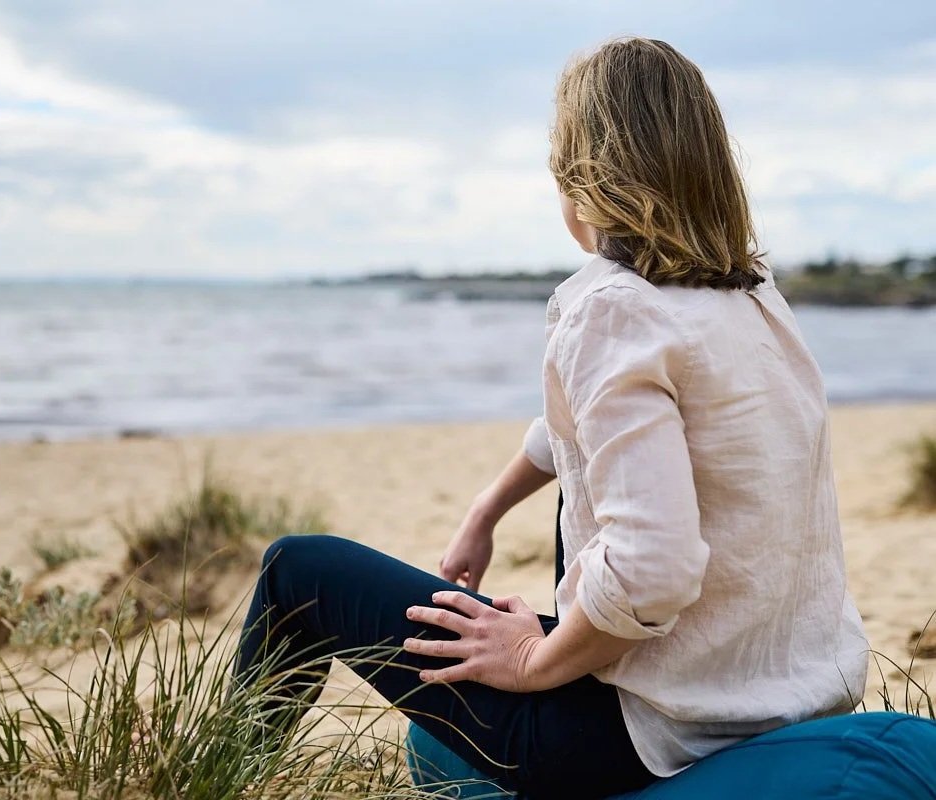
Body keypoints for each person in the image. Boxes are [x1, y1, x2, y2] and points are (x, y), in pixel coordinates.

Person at [230, 36, 869, 799]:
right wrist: (486, 508)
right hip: (784, 689)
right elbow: (586, 425)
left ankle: (220, 774)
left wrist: (535, 659)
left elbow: (653, 569)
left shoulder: (610, 308)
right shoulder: (751, 295)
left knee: (298, 570)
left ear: (580, 177)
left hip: (648, 729)